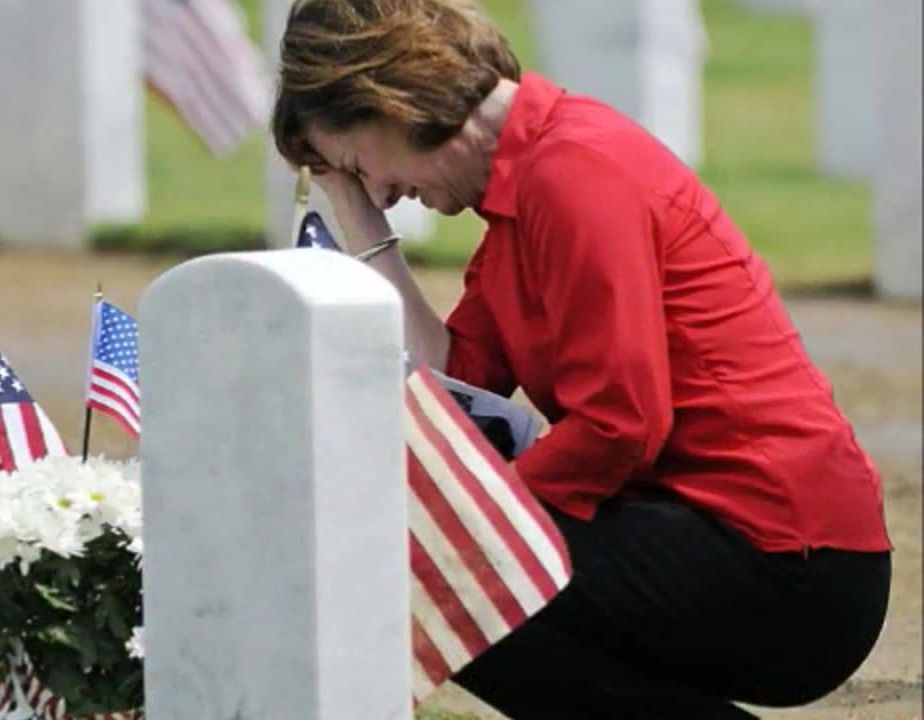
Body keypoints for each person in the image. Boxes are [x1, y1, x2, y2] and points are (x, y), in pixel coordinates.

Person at [270, 1, 893, 718]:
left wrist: (473, 515)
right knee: (431, 551)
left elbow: (620, 425)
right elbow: (456, 383)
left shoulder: (572, 173)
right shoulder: (520, 185)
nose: (378, 187)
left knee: (434, 559)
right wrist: (361, 220)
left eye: (356, 165)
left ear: (389, 101)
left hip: (791, 563)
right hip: (715, 535)